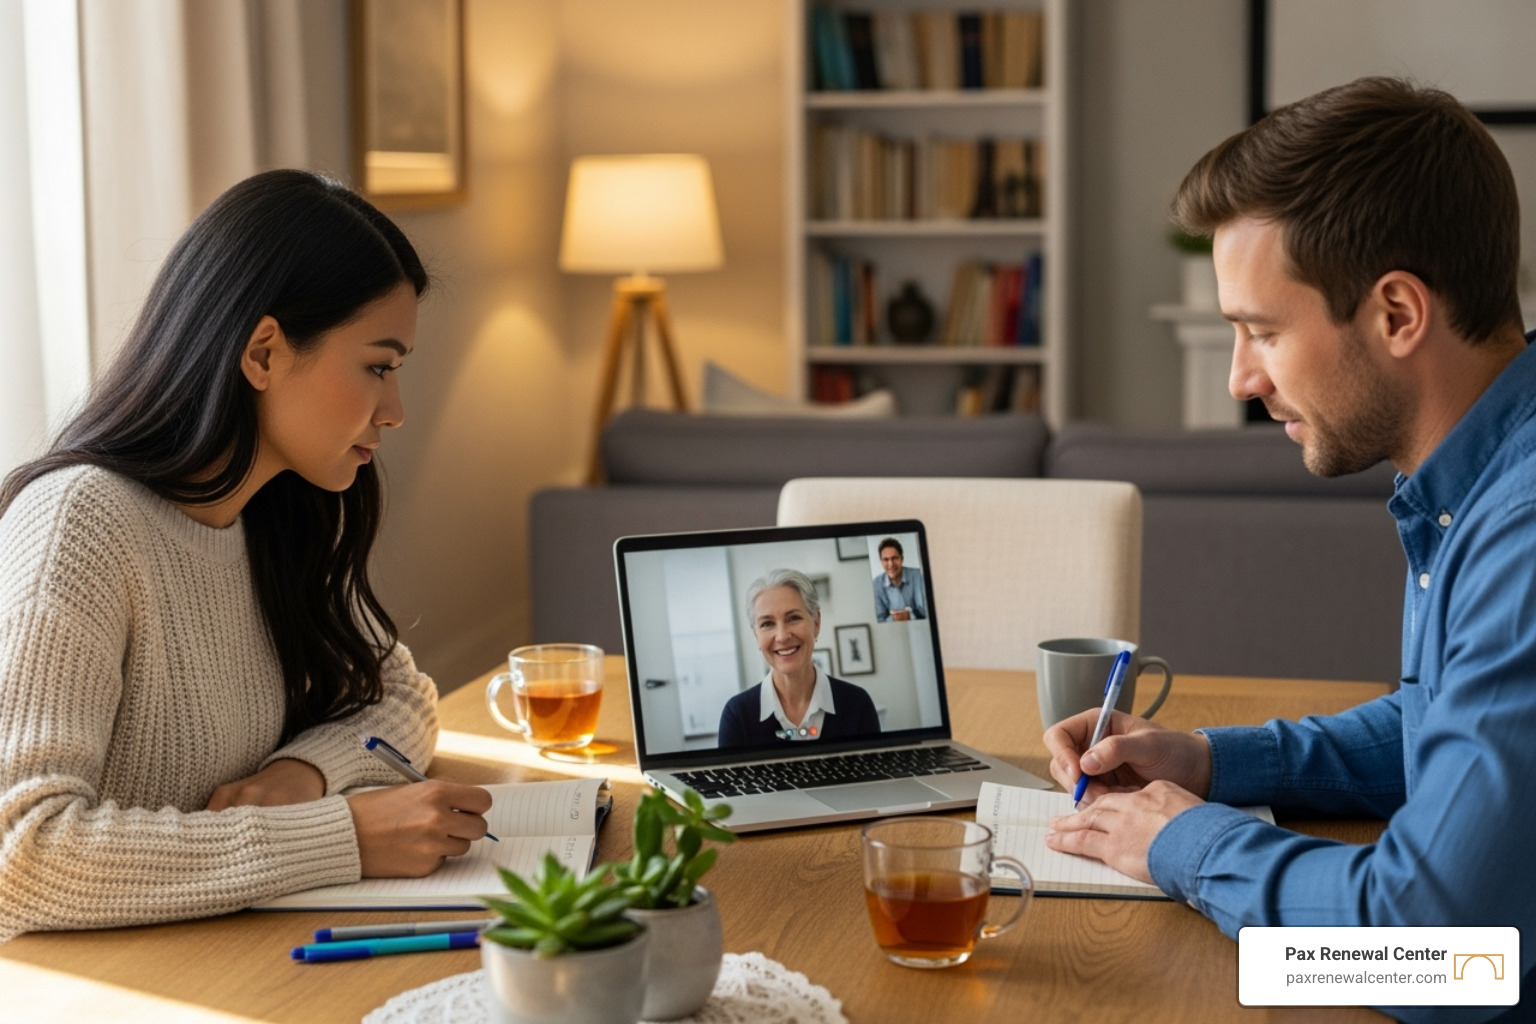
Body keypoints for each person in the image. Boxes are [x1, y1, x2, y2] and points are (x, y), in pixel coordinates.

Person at [1041, 78, 1533, 1022]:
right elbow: (1446, 725)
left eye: (1262, 330)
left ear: (1396, 313)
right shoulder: (1475, 477)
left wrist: (1184, 844)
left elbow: (1436, 961)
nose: (1240, 377)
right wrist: (1211, 763)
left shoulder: (1523, 530)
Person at [0, 170, 492, 942]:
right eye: (379, 365)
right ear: (263, 352)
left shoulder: (277, 511)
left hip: (233, 947)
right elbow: (21, 856)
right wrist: (342, 836)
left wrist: (303, 777)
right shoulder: (81, 525)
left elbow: (400, 696)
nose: (395, 411)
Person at [717, 569, 880, 746]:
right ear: (756, 635)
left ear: (816, 623)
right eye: (767, 624)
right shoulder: (737, 715)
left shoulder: (857, 704)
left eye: (793, 618)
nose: (782, 636)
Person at [871, 537, 926, 622]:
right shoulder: (875, 584)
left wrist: (909, 615)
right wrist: (896, 618)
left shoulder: (919, 576)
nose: (891, 564)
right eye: (886, 559)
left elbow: (928, 611)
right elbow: (880, 620)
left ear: (902, 559)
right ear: (881, 562)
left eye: (894, 558)